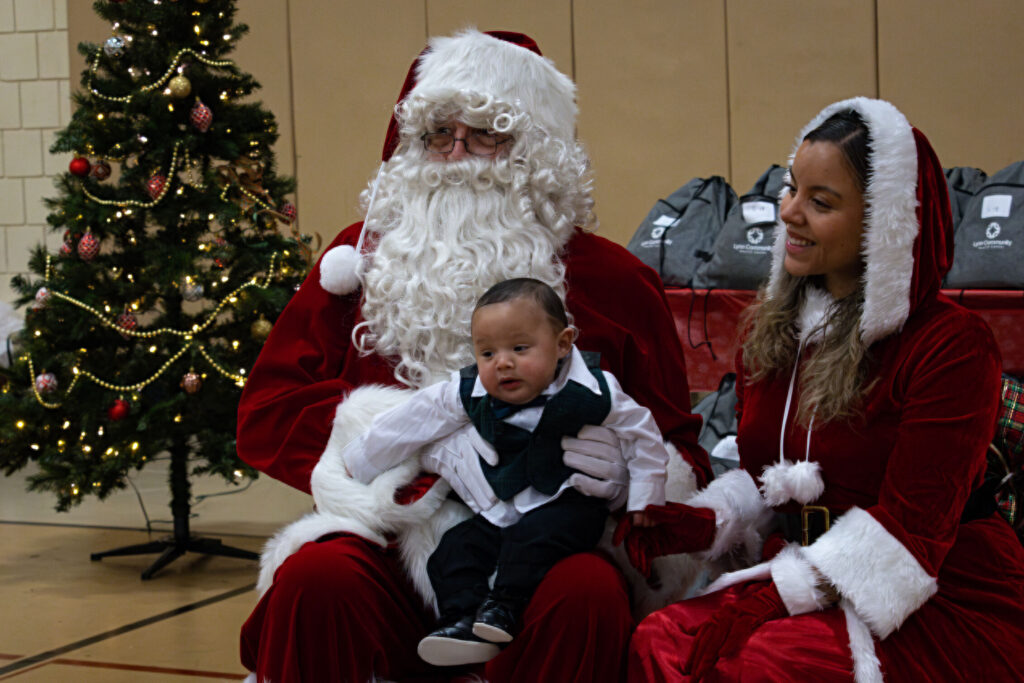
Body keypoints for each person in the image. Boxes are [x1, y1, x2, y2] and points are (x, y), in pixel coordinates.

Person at [237, 29, 710, 683]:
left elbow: (683, 446)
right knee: (316, 577)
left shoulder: (615, 285)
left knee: (588, 593)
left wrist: (632, 477)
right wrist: (397, 448)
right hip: (392, 545)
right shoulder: (360, 262)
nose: (456, 155)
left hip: (548, 546)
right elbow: (269, 407)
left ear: (534, 155)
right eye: (438, 134)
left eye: (484, 134)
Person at [621, 97, 1024, 681]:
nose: (788, 213)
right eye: (790, 190)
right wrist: (702, 523)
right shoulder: (775, 327)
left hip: (933, 594)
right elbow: (773, 477)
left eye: (821, 202)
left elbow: (915, 533)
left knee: (756, 666)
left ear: (887, 224)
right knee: (660, 638)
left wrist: (771, 598)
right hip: (800, 572)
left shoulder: (951, 345)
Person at [340, 277, 673, 667]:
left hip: (565, 503)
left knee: (536, 541)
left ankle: (503, 608)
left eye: (519, 348)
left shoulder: (597, 390)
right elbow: (411, 420)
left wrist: (644, 497)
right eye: (487, 353)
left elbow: (644, 436)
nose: (503, 363)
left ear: (563, 343)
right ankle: (462, 621)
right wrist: (359, 463)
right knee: (453, 551)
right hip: (500, 509)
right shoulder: (466, 391)